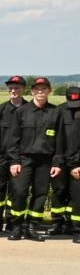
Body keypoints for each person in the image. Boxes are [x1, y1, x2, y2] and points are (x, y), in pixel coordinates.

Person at [6, 76, 61, 242]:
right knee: (20, 192)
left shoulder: (55, 112)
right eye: (37, 89)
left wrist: (57, 162)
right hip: (24, 160)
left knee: (40, 195)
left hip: (45, 160)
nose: (40, 92)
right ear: (32, 91)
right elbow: (13, 139)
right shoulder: (22, 112)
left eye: (44, 89)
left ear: (49, 91)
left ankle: (31, 227)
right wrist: (14, 161)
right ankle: (16, 226)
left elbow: (60, 140)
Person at [0, 75, 29, 235]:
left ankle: (12, 222)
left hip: (20, 159)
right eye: (11, 88)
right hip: (1, 157)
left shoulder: (28, 109)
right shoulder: (1, 109)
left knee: (16, 192)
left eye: (17, 87)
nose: (13, 90)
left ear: (23, 89)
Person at [60, 86, 80, 244]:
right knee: (59, 193)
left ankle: (77, 229)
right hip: (60, 161)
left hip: (77, 163)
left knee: (77, 197)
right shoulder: (59, 111)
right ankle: (60, 224)